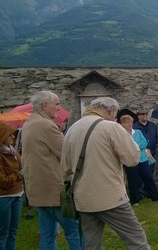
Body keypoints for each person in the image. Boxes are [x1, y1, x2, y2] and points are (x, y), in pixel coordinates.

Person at [61, 97, 151, 249]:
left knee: (92, 245)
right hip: (110, 197)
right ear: (111, 112)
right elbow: (132, 158)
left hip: (83, 197)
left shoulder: (73, 128)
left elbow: (65, 166)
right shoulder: (110, 127)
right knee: (137, 241)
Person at [21, 90, 82, 250]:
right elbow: (67, 153)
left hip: (38, 189)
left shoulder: (29, 123)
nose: (59, 108)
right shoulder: (46, 125)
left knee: (48, 234)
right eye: (56, 104)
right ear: (45, 105)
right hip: (54, 191)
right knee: (74, 232)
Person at [118, 110, 158, 206]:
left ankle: (155, 196)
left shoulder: (137, 132)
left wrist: (134, 146)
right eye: (127, 123)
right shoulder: (122, 135)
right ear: (122, 124)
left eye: (130, 122)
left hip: (143, 158)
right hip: (130, 160)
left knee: (148, 177)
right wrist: (135, 146)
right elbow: (123, 146)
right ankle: (135, 200)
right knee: (133, 180)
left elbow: (144, 143)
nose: (129, 124)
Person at [0, 121, 23, 250]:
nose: (13, 137)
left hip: (17, 195)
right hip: (4, 198)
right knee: (2, 234)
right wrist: (18, 175)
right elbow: (3, 181)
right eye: (10, 135)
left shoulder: (14, 152)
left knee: (13, 232)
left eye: (14, 134)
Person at [133, 109, 158, 174]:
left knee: (150, 172)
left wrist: (153, 143)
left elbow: (156, 136)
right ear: (138, 116)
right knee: (141, 173)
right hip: (141, 154)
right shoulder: (135, 127)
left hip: (151, 152)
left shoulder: (152, 125)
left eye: (146, 114)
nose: (144, 115)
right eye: (142, 114)